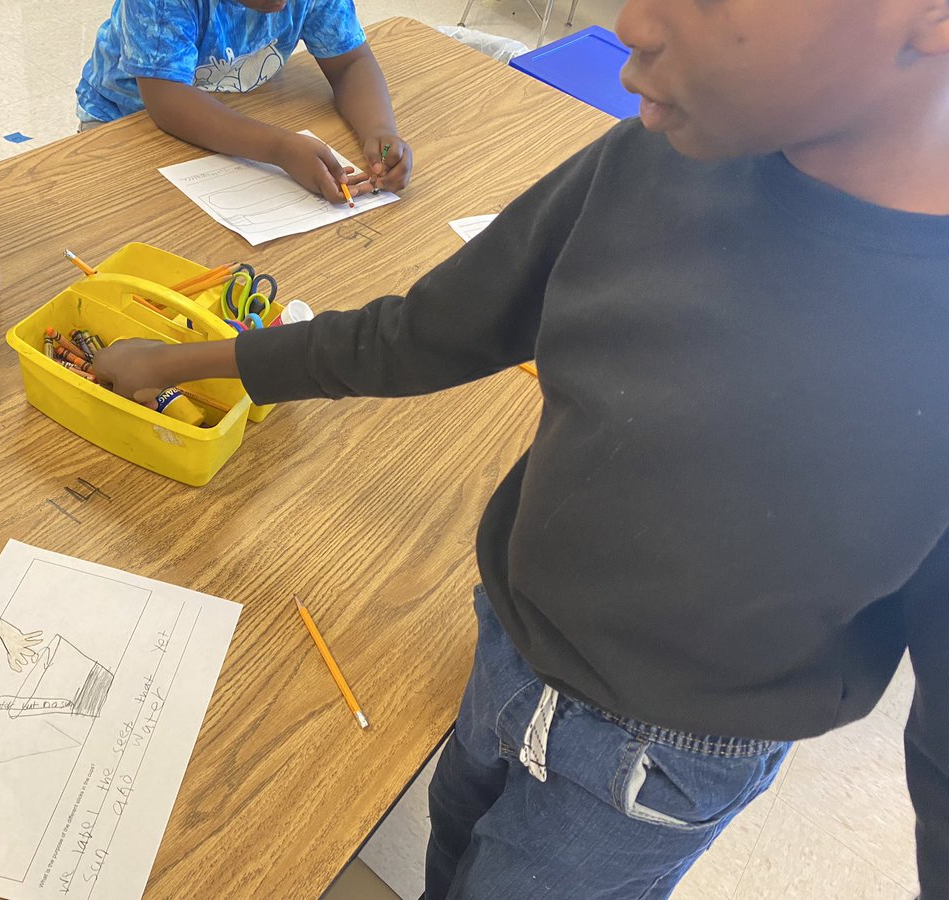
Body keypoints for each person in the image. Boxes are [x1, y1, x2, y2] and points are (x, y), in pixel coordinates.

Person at [91, 0, 949, 895]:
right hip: (508, 651)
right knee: (452, 855)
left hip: (653, 771)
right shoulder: (650, 159)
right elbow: (423, 332)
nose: (632, 26)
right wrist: (194, 361)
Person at [76, 0, 412, 203]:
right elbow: (167, 100)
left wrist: (379, 128)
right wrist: (279, 148)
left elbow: (350, 64)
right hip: (122, 123)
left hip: (231, 111)